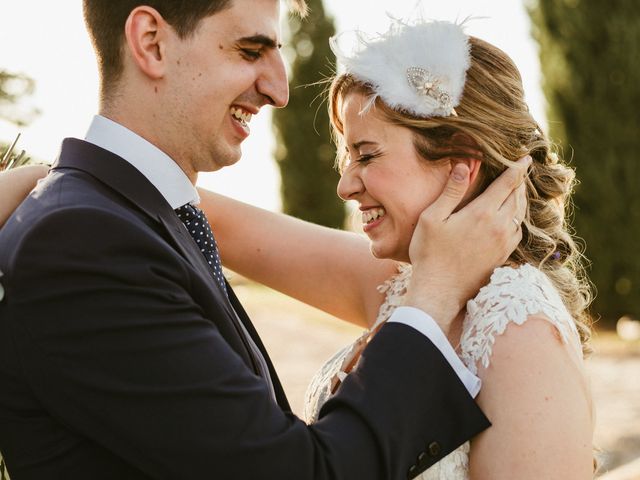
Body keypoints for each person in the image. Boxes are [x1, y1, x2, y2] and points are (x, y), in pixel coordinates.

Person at [0, 2, 528, 479]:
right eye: (251, 50)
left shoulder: (123, 213)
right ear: (151, 43)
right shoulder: (85, 243)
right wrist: (432, 295)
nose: (278, 90)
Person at [190, 19, 596, 479]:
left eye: (366, 155)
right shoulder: (411, 282)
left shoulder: (521, 333)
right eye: (347, 158)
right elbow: (218, 224)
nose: (345, 185)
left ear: (459, 163)